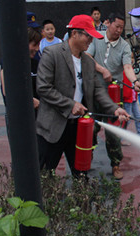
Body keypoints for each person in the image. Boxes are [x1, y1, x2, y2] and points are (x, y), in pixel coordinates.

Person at [36, 14, 129, 178]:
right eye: (88, 36)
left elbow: (97, 89)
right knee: (44, 174)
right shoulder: (52, 54)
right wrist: (70, 104)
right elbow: (43, 88)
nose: (91, 41)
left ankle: (81, 194)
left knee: (81, 173)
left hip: (78, 127)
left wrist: (114, 109)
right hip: (53, 127)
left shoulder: (87, 61)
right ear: (74, 34)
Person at [87, 13, 140, 180]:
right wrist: (102, 70)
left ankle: (116, 164)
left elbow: (127, 67)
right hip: (94, 91)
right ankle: (86, 159)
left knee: (114, 130)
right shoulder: (96, 38)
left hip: (114, 93)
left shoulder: (124, 46)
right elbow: (87, 57)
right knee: (91, 128)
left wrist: (135, 81)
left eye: (121, 28)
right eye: (116, 26)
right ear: (108, 23)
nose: (119, 30)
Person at [0, 12, 43, 122]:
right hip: (20, 119)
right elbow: (8, 91)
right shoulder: (10, 60)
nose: (37, 49)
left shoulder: (36, 58)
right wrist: (30, 101)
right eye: (34, 45)